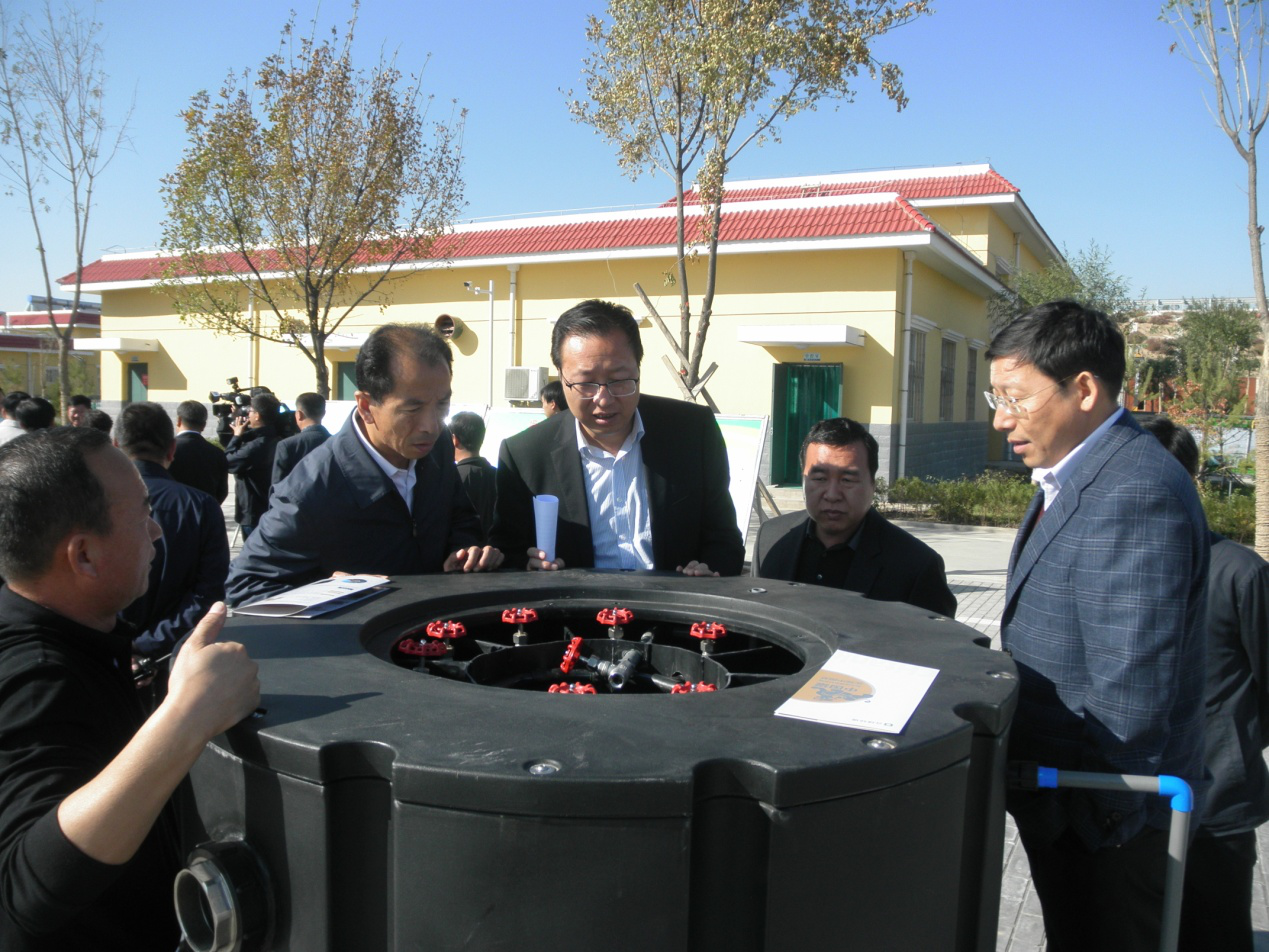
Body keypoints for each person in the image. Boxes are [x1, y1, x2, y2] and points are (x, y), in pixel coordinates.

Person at [988, 301, 1208, 952]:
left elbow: (1131, 689)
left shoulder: (1134, 490)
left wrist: (1096, 823)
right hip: (1068, 804)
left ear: (1083, 389)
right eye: (996, 398)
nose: (1001, 418)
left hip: (1105, 825)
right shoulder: (1079, 472)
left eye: (1015, 398)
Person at [0, 427, 259, 951]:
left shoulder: (67, 638)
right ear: (84, 555)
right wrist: (189, 714)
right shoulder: (39, 678)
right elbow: (29, 888)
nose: (157, 532)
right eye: (142, 515)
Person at [225, 324, 500, 606]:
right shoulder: (312, 489)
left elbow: (460, 519)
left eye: (442, 404)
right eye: (412, 409)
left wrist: (465, 551)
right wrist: (327, 592)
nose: (431, 425)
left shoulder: (438, 447)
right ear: (366, 406)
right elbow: (246, 585)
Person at [489, 299, 744, 576]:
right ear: (561, 378)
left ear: (638, 369)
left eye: (619, 380)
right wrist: (528, 566)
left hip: (674, 600)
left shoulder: (692, 432)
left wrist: (709, 570)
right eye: (585, 383)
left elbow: (725, 540)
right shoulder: (525, 455)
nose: (603, 399)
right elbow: (507, 553)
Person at [1140, 416, 1269, 952]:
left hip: (1216, 808)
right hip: (1129, 805)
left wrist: (1233, 745)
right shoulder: (1116, 573)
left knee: (1215, 932)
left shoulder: (1240, 573)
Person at [753, 417, 956, 617]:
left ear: (872, 484)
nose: (832, 494)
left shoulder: (916, 565)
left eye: (847, 480)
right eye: (820, 478)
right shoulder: (770, 539)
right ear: (804, 480)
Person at [114, 403, 229, 682]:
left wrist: (117, 643)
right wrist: (148, 645)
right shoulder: (202, 506)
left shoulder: (89, 503)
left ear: (115, 445)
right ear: (171, 450)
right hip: (174, 659)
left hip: (100, 658)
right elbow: (207, 594)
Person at [224, 392, 282, 540]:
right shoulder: (277, 438)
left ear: (257, 416)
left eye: (250, 411)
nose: (248, 414)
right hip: (270, 507)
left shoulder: (255, 446)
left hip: (253, 511)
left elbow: (228, 462)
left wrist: (236, 437)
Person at [450, 410, 497, 542]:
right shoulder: (498, 475)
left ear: (454, 439)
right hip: (496, 549)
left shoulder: (452, 478)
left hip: (462, 550)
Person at [170, 399, 229, 505]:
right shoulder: (217, 453)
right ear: (204, 425)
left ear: (178, 420)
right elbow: (222, 492)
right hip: (206, 509)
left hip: (173, 508)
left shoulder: (166, 449)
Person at [272, 391, 330, 484]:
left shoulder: (287, 445)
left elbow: (277, 485)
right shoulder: (336, 442)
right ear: (324, 413)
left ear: (299, 414)